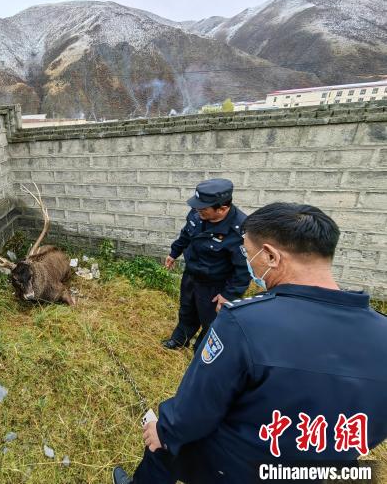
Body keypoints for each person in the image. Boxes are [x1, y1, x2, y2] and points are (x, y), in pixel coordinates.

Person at [113, 202, 387, 484]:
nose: (245, 259)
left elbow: (196, 409)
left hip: (241, 467)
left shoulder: (244, 323)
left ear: (270, 256)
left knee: (163, 441)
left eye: (246, 251)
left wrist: (165, 429)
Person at [162, 178, 250, 351]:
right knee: (187, 310)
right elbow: (186, 234)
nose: (197, 210)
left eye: (203, 208)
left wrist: (229, 295)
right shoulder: (197, 214)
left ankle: (202, 350)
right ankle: (180, 339)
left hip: (215, 285)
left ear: (222, 209)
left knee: (211, 320)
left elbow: (244, 270)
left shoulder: (239, 231)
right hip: (191, 275)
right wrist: (174, 253)